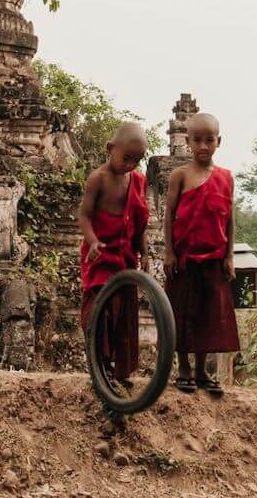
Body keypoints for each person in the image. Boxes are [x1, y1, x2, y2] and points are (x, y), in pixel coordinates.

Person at [163, 112, 239, 395]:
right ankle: (183, 368)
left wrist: (229, 256)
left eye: (209, 140)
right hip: (184, 257)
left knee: (210, 314)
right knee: (182, 312)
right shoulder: (180, 175)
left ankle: (201, 371)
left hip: (214, 258)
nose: (203, 146)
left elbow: (229, 218)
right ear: (188, 141)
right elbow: (169, 215)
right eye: (198, 140)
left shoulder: (226, 178)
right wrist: (169, 251)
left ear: (218, 141)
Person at [77, 122, 150, 387]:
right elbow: (84, 216)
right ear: (110, 149)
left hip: (126, 258)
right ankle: (100, 365)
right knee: (100, 313)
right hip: (101, 257)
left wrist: (145, 253)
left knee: (124, 315)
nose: (130, 164)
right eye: (126, 157)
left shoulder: (139, 181)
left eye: (137, 160)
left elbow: (140, 225)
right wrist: (93, 242)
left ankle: (121, 371)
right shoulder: (98, 178)